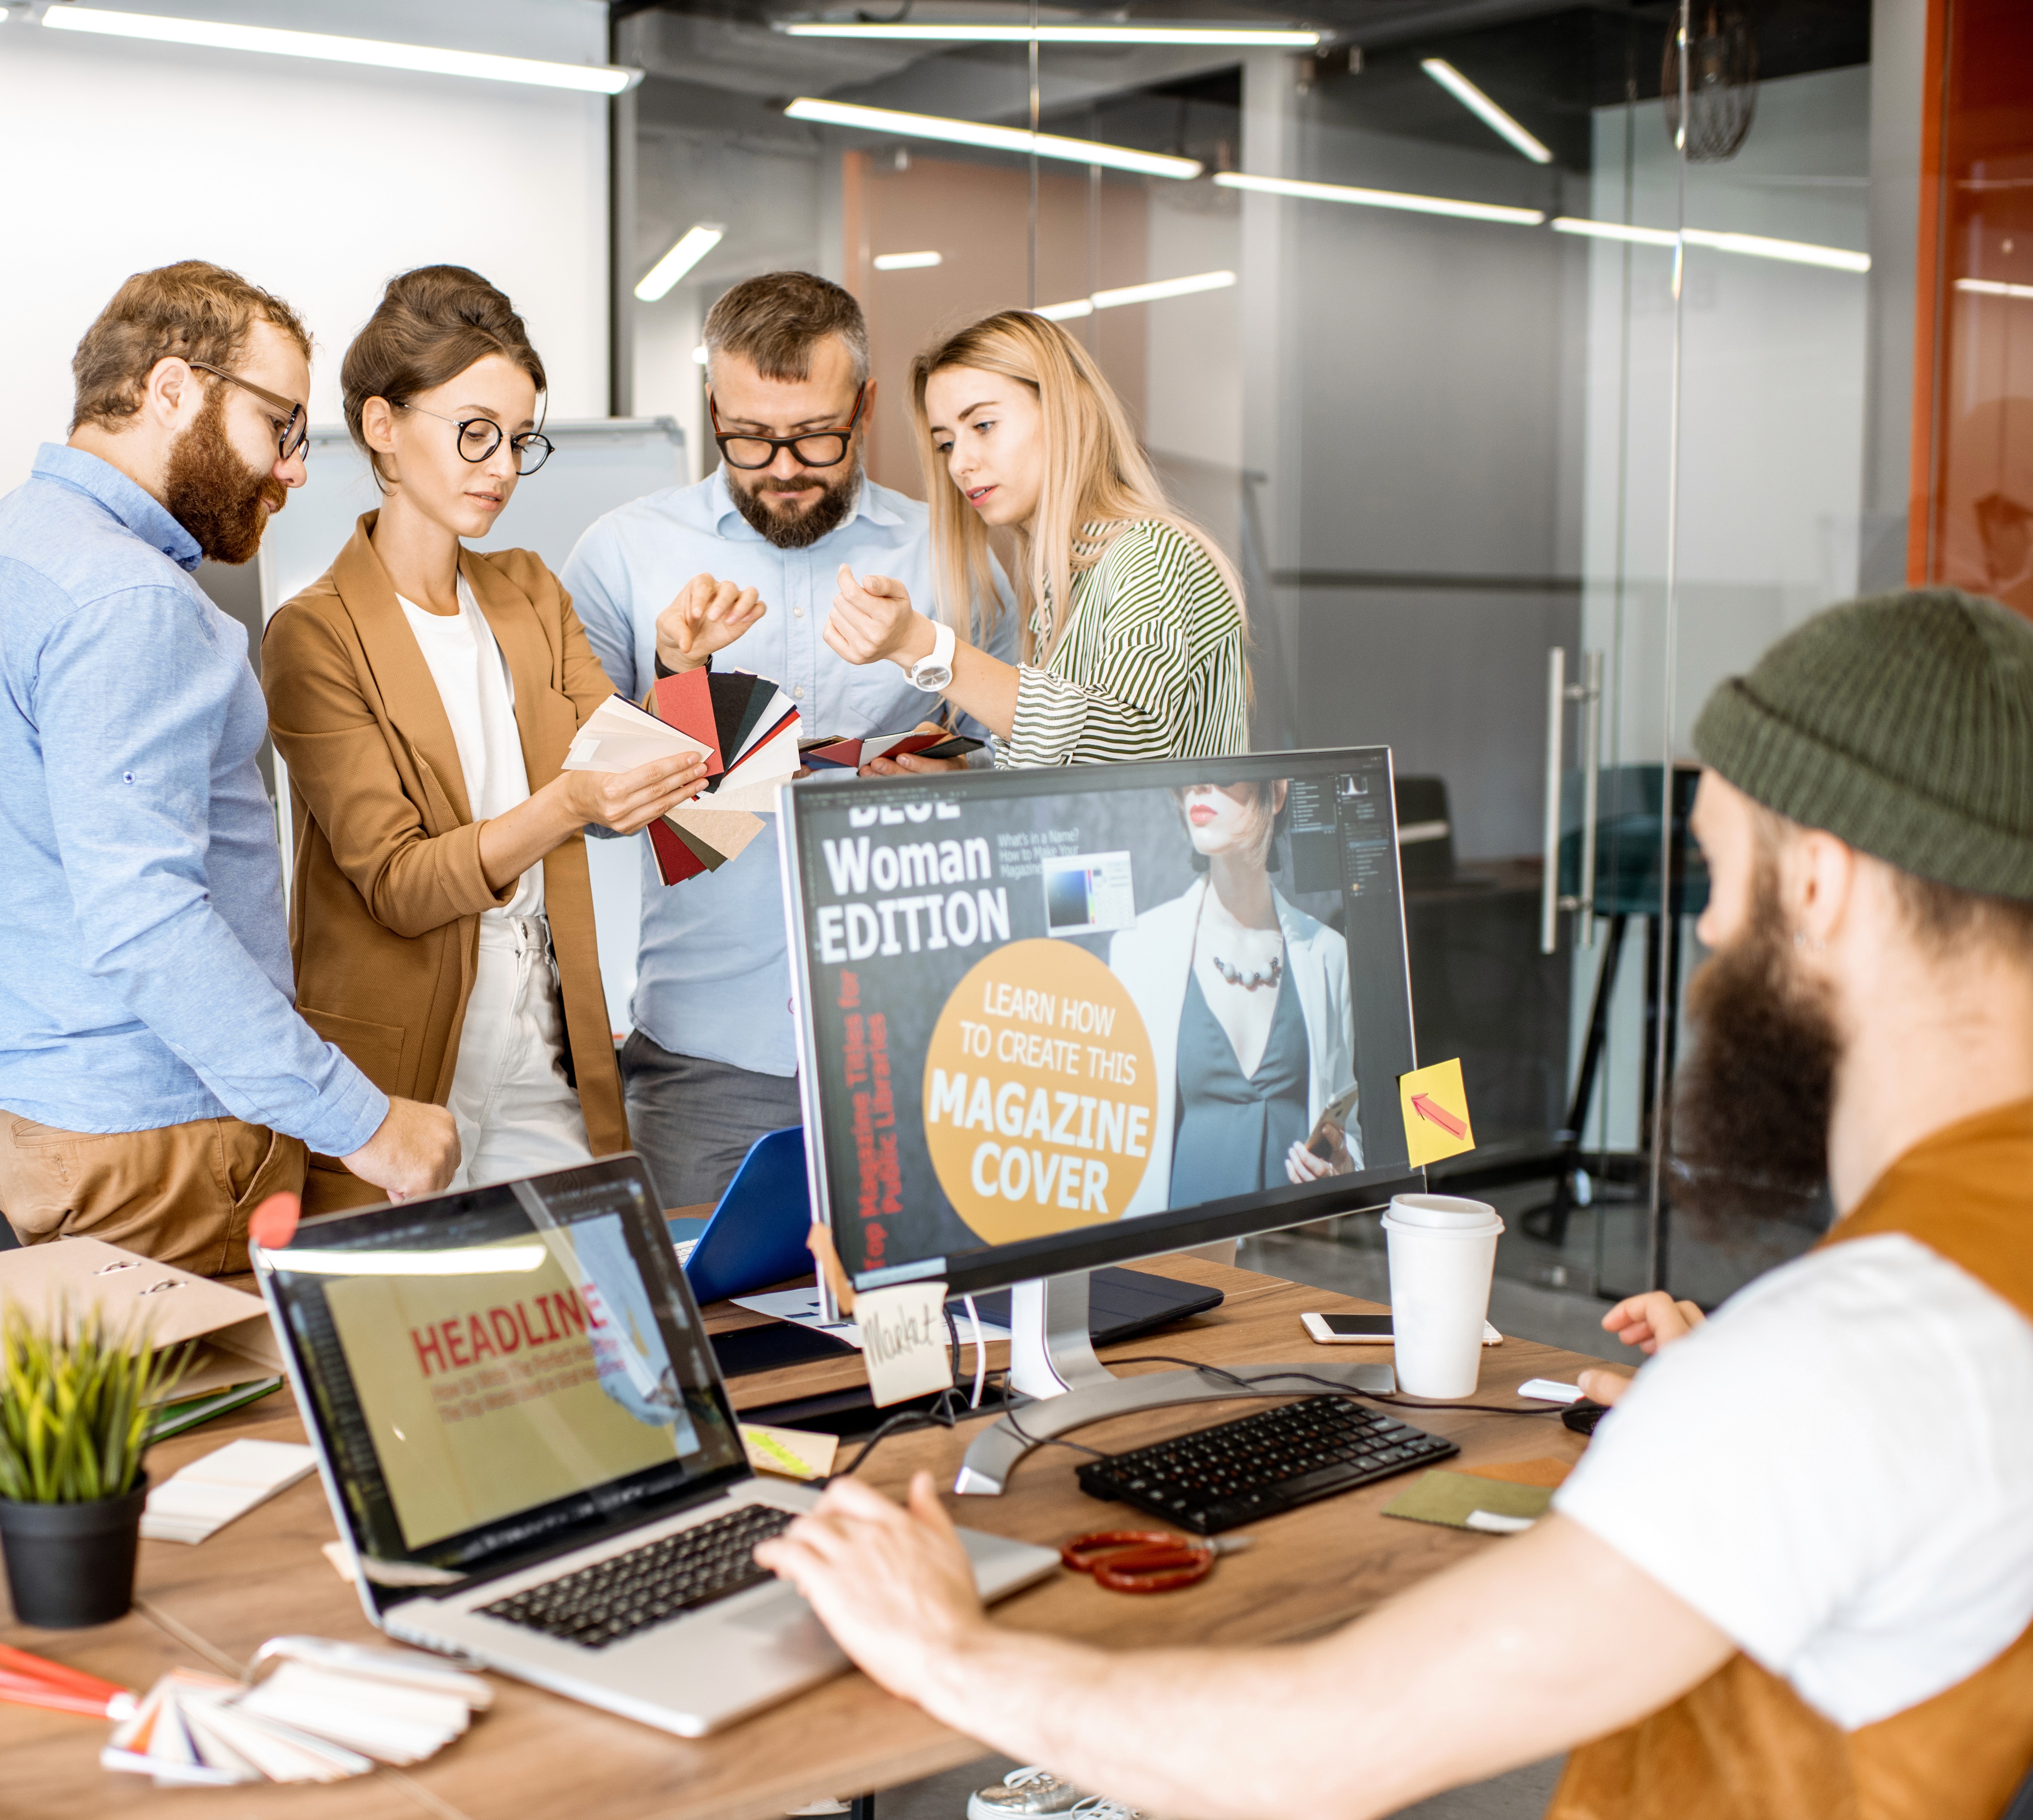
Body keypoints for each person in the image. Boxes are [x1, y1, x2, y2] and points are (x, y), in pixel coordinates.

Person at [757, 589, 2033, 1820]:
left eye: (1721, 885)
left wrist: (949, 1651)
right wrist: (1727, 1428)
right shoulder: (1939, 1316)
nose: (1706, 944)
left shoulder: (1857, 1361)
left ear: (1821, 881)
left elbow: (1323, 1752)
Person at [0, 261, 458, 1273]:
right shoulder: (129, 601)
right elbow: (149, 917)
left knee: (128, 1435)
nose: (293, 470)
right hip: (161, 1135)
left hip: (42, 1118)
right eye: (280, 426)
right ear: (170, 391)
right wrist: (363, 1124)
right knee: (230, 1432)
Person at [561, 271, 1014, 1208]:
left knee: (927, 1343)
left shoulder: (952, 554)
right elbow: (589, 814)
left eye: (815, 435)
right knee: (718, 1348)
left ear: (866, 405)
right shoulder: (623, 554)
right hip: (708, 1065)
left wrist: (931, 772)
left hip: (921, 1050)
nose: (782, 466)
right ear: (713, 407)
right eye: (749, 437)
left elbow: (1019, 777)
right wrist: (677, 677)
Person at [265, 268, 702, 1211]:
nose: (498, 465)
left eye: (517, 439)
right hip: (400, 1069)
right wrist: (564, 806)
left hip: (543, 1034)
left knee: (578, 1323)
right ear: (382, 424)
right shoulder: (314, 633)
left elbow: (619, 787)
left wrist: (678, 672)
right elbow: (400, 883)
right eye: (473, 432)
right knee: (414, 1343)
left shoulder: (530, 590)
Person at [822, 309, 1248, 773]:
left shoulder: (1152, 552)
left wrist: (923, 644)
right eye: (946, 443)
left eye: (983, 426)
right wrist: (968, 776)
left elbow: (1128, 746)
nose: (960, 463)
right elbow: (1071, 784)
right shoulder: (1061, 583)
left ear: (1069, 412)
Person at [1106, 778, 1358, 1214]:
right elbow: (1112, 1140)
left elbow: (1345, 1125)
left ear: (1276, 793)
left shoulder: (1327, 954)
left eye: (1225, 772)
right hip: (1181, 1257)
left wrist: (1341, 1166)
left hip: (1294, 1249)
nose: (1200, 786)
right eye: (1189, 771)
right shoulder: (1139, 949)